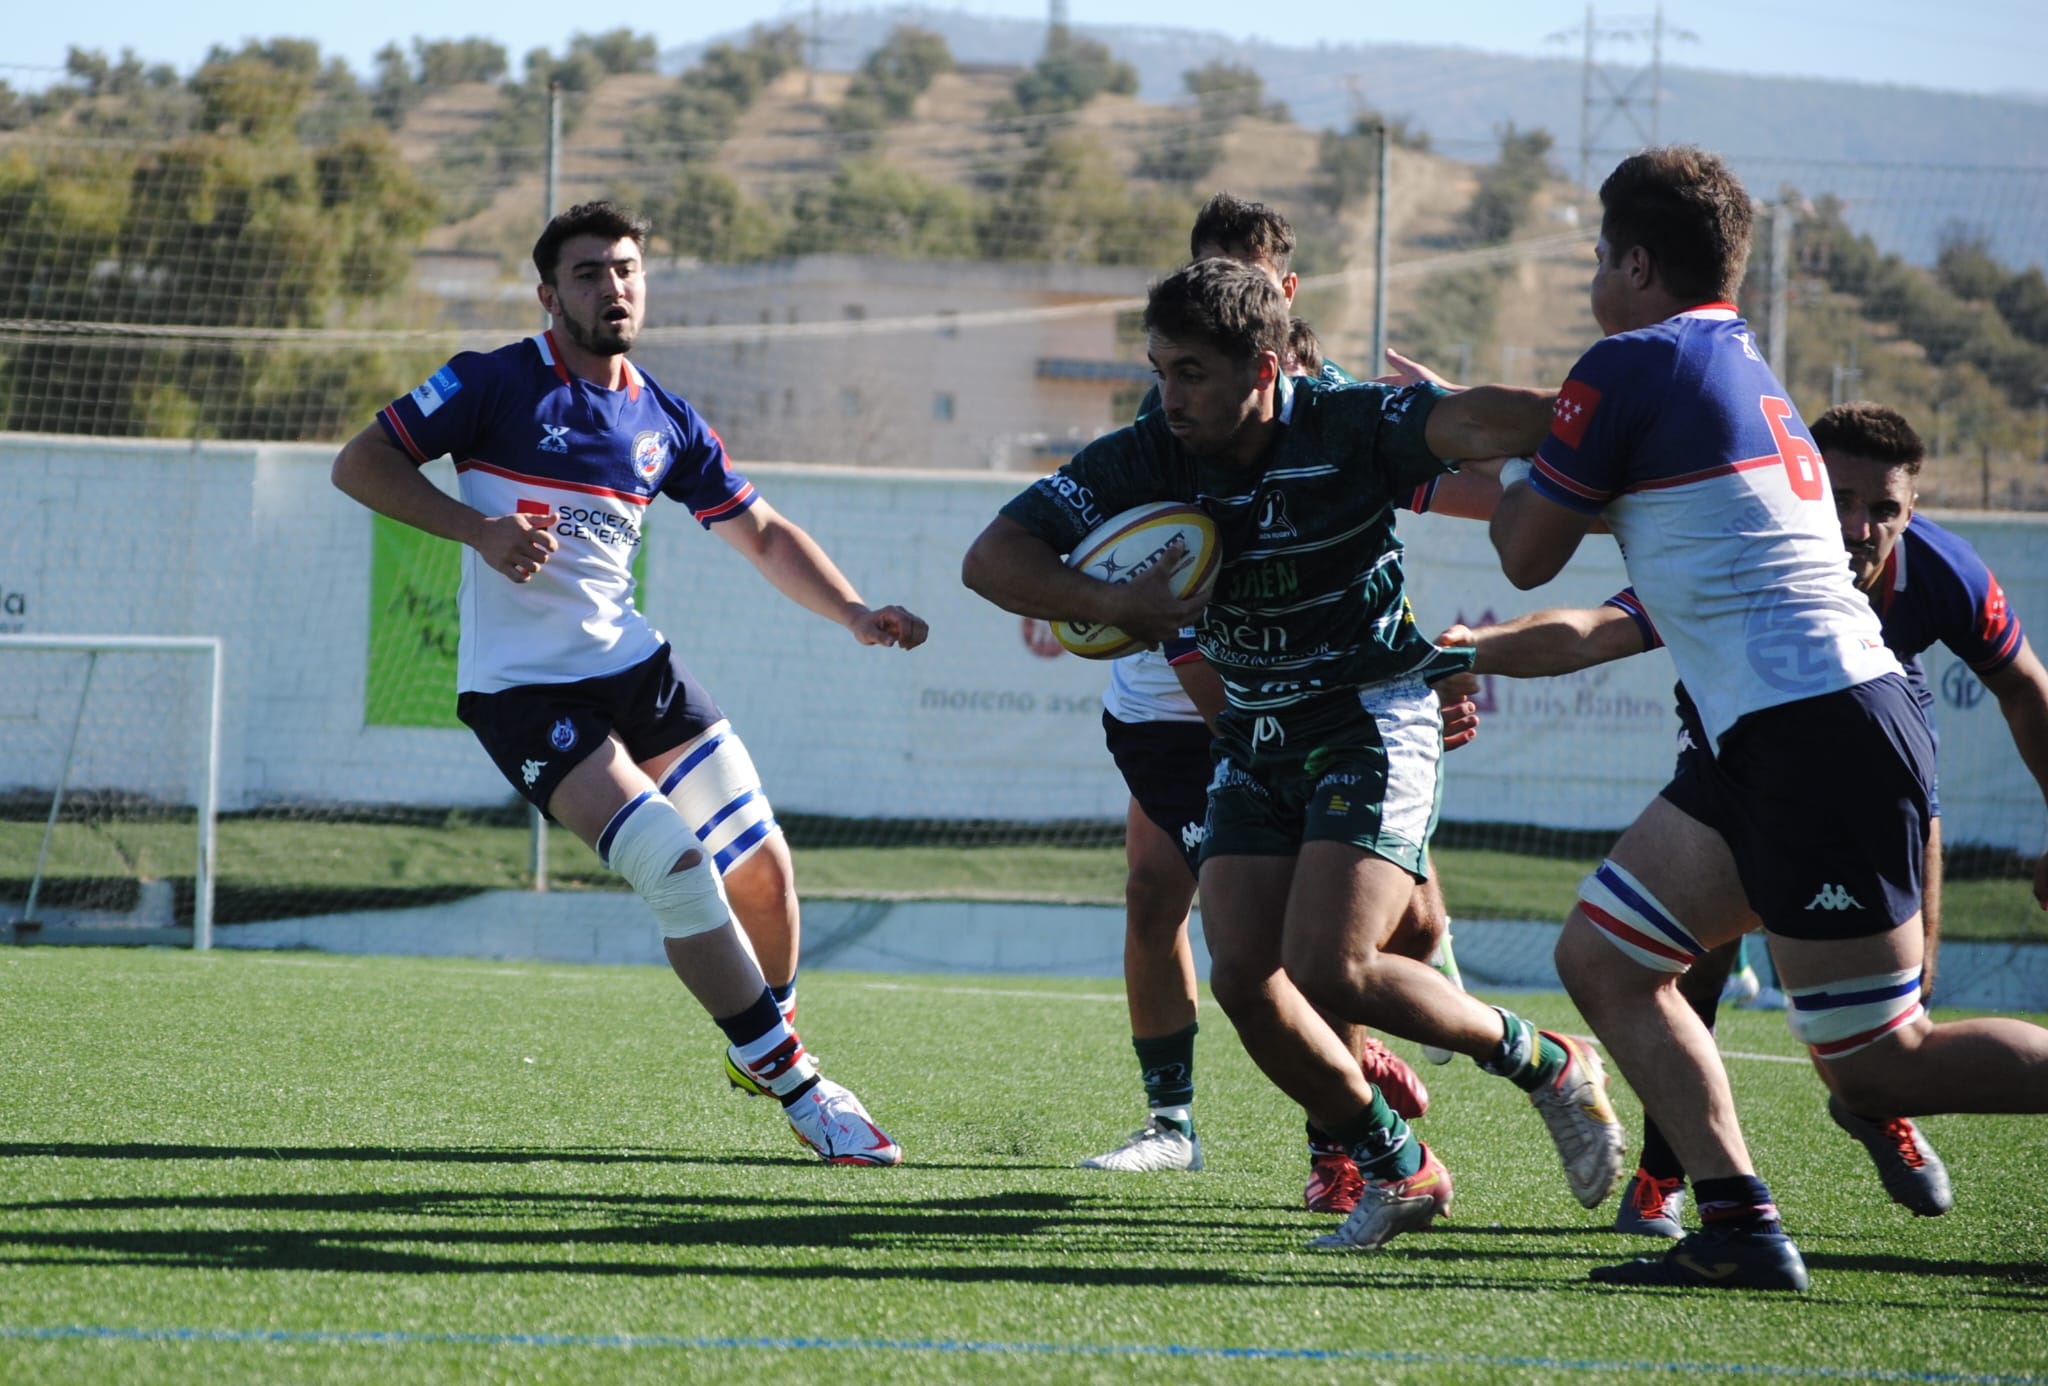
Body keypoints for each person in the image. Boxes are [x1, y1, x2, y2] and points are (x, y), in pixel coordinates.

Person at [963, 257, 1627, 1254]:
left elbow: (1494, 422)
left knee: (1335, 967)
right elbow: (991, 561)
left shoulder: (1346, 422)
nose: (1167, 395)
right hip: (1253, 731)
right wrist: (1114, 605)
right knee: (1242, 977)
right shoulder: (1149, 449)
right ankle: (1398, 1171)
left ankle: (1548, 1062)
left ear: (1263, 367)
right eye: (1157, 369)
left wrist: (1626, 397)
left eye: (1189, 372)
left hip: (1367, 712)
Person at [1487, 146, 2048, 1291]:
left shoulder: (1630, 361)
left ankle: (1735, 1218)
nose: (1591, 277)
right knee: (1601, 957)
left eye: (1598, 256)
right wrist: (1464, 445)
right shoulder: (1731, 360)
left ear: (1636, 263)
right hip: (1776, 738)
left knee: (1879, 1070)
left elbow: (1522, 548)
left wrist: (1474, 434)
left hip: (1815, 733)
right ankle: (1738, 1224)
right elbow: (1599, 505)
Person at [330, 201, 924, 1166]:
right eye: (590, 273)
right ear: (549, 294)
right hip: (523, 690)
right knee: (675, 863)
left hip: (636, 669)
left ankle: (759, 1040)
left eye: (627, 269)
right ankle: (801, 1088)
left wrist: (855, 610)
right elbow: (361, 464)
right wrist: (478, 530)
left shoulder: (663, 417)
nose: (614, 286)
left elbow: (763, 534)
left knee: (764, 867)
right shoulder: (492, 383)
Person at [1445, 399, 2048, 1236]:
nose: (1858, 527)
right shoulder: (1749, 549)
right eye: (1837, 498)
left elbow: (2026, 686)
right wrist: (1465, 634)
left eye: (1884, 511)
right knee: (1652, 964)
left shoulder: (1943, 571)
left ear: (1911, 513)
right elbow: (1592, 623)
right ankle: (1677, 1178)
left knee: (1886, 1040)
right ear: (1799, 485)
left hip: (1863, 787)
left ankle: (1874, 1103)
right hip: (1733, 774)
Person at [1082, 195, 1465, 1215]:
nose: (1214, 306)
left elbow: (1464, 494)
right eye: (1201, 278)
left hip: (1302, 706)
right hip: (1177, 708)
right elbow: (1148, 584)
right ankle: (1197, 1126)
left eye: (1240, 285)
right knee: (1166, 897)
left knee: (1403, 929)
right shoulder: (1168, 419)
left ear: (1281, 299)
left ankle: (1348, 1077)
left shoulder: (1334, 417)